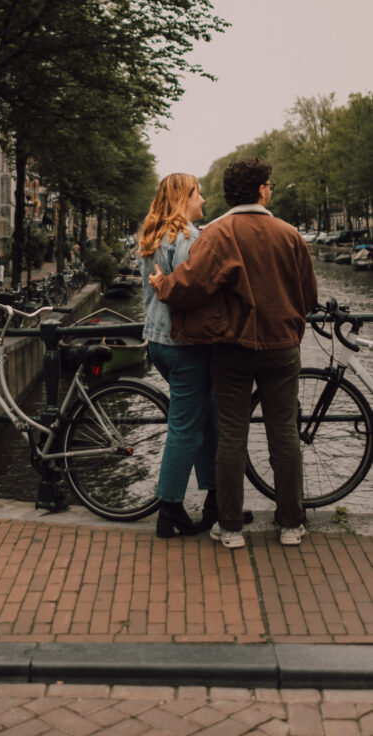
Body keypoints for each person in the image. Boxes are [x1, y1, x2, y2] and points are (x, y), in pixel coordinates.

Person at [149, 158, 318, 550]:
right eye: (270, 185)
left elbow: (190, 286)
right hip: (282, 349)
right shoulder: (290, 234)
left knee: (230, 436)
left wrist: (163, 285)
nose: (270, 189)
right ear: (261, 190)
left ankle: (229, 528)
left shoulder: (216, 234)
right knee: (284, 434)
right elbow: (308, 295)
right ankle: (291, 524)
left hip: (232, 349)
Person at [138, 173, 217, 539]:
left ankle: (218, 499)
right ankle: (169, 509)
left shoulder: (152, 237)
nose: (203, 199)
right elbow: (192, 288)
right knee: (186, 427)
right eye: (198, 193)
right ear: (185, 198)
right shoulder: (188, 237)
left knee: (205, 417)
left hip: (157, 341)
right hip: (185, 344)